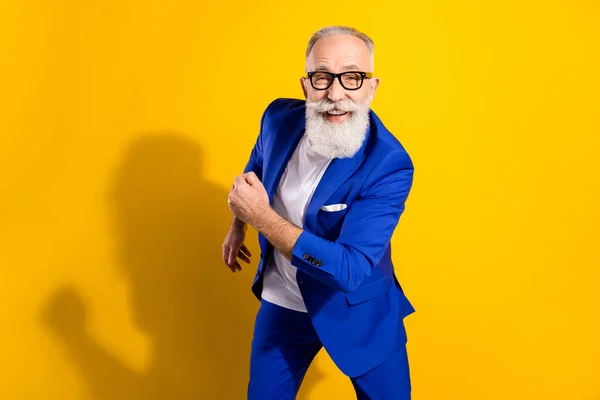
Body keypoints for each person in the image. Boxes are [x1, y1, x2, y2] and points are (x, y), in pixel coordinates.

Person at [223, 25, 416, 400]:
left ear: (372, 88)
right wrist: (238, 224)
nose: (336, 93)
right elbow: (257, 166)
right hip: (284, 304)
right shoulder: (278, 117)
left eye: (353, 78)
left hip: (359, 314)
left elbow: (350, 269)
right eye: (322, 77)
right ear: (306, 85)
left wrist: (260, 217)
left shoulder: (389, 164)